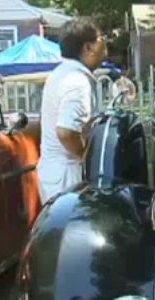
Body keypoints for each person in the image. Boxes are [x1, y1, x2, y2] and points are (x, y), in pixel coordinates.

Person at [37, 17, 108, 204]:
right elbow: (66, 131)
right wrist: (84, 155)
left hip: (56, 173)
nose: (105, 41)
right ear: (88, 48)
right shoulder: (77, 82)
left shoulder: (62, 74)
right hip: (67, 176)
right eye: (101, 38)